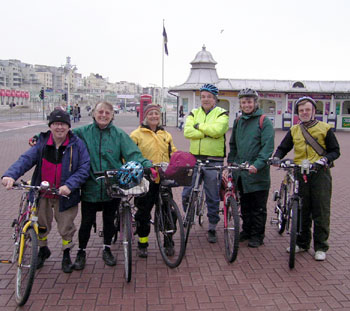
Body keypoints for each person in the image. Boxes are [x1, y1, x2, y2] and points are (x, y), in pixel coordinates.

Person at [2, 110, 90, 273]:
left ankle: (66, 254)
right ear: (50, 126)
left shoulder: (77, 145)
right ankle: (43, 250)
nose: (59, 127)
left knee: (66, 227)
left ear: (68, 127)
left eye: (63, 124)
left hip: (65, 194)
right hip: (42, 193)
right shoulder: (42, 143)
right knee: (41, 225)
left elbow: (84, 167)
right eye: (55, 124)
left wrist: (70, 185)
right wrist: (10, 175)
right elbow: (25, 160)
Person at [72, 101, 153, 270]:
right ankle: (81, 251)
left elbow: (133, 154)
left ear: (112, 116)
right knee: (86, 221)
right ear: (94, 113)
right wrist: (38, 137)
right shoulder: (82, 132)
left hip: (112, 184)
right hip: (91, 184)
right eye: (100, 112)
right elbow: (61, 133)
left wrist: (147, 164)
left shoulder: (119, 134)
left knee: (109, 221)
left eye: (107, 113)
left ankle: (107, 248)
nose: (103, 115)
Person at [273, 96, 340, 261]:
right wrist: (276, 158)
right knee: (302, 209)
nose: (304, 113)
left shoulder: (325, 128)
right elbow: (283, 147)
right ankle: (302, 243)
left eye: (307, 110)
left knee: (321, 210)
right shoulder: (294, 130)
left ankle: (320, 246)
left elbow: (335, 151)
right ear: (297, 113)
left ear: (313, 111)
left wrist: (323, 160)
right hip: (300, 172)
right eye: (301, 110)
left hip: (319, 173)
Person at [227, 88, 274, 248]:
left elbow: (267, 147)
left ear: (255, 103)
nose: (246, 105)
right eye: (243, 102)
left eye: (249, 101)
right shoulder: (238, 121)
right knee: (245, 205)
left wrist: (258, 165)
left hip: (257, 173)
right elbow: (233, 145)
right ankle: (246, 230)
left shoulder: (264, 121)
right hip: (241, 172)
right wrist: (231, 163)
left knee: (258, 207)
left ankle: (257, 235)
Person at [182, 83, 229, 243]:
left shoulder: (222, 113)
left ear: (215, 99)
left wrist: (199, 127)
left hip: (213, 160)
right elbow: (187, 131)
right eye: (203, 96)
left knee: (212, 196)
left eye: (209, 96)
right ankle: (189, 216)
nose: (206, 99)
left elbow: (218, 131)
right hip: (194, 158)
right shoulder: (193, 112)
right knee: (187, 192)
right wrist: (207, 133)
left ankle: (212, 226)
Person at [130, 104, 177, 258]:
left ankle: (168, 240)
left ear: (160, 116)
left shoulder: (166, 134)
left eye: (156, 114)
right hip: (145, 179)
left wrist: (179, 161)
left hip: (163, 178)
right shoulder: (136, 134)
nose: (154, 116)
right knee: (143, 212)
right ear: (145, 116)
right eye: (151, 114)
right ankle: (142, 243)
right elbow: (129, 155)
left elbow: (173, 153)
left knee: (168, 211)